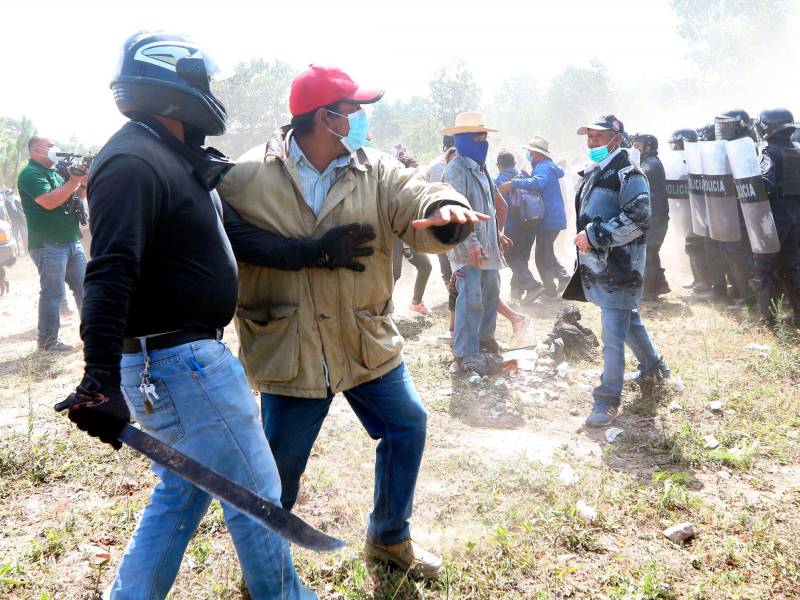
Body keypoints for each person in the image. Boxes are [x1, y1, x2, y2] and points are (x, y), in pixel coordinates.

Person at [57, 32, 315, 599]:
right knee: (257, 498)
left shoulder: (169, 156)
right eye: (204, 83)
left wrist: (318, 250)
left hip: (176, 363)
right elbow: (110, 269)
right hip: (178, 364)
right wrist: (98, 376)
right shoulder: (130, 159)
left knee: (182, 493)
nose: (211, 94)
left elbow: (237, 238)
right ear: (176, 87)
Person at [219, 64, 488, 579]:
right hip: (288, 343)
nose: (362, 120)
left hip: (363, 337)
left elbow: (419, 198)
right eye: (354, 110)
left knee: (407, 425)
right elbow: (221, 243)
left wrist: (447, 210)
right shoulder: (245, 177)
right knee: (280, 471)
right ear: (327, 119)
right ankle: (264, 565)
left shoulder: (378, 170)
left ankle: (389, 539)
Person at [563, 114, 669, 427]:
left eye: (598, 136)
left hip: (621, 269)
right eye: (589, 137)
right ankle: (654, 367)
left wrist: (595, 235)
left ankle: (607, 399)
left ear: (615, 136)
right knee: (627, 319)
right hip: (600, 267)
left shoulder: (629, 174)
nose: (591, 142)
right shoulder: (596, 171)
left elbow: (639, 220)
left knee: (611, 336)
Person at [442, 112, 511, 366]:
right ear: (464, 139)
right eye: (478, 136)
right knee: (470, 299)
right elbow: (456, 209)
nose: (483, 141)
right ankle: (465, 353)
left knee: (491, 292)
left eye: (484, 136)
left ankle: (485, 341)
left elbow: (490, 208)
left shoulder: (482, 169)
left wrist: (498, 234)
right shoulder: (455, 170)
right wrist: (471, 241)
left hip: (488, 246)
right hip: (466, 247)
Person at [17, 136, 87, 351]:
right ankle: (47, 342)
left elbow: (73, 198)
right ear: (37, 149)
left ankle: (94, 333)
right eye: (50, 145)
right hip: (48, 245)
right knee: (53, 293)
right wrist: (74, 181)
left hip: (70, 240)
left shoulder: (54, 173)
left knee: (85, 289)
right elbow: (49, 202)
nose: (55, 148)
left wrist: (81, 183)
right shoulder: (31, 174)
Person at [499, 136, 570, 299]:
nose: (528, 155)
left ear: (538, 154)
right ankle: (555, 284)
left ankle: (557, 282)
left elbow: (537, 183)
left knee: (542, 255)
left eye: (530, 152)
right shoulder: (546, 166)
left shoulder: (543, 167)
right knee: (545, 253)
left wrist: (514, 183)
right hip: (552, 217)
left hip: (548, 219)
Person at [753, 108, 800, 326]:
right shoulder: (797, 150)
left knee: (764, 266)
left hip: (777, 215)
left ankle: (767, 318)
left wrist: (745, 182)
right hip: (796, 214)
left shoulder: (770, 152)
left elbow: (766, 183)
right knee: (791, 267)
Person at [714, 109, 757, 311]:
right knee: (731, 252)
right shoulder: (729, 147)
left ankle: (749, 299)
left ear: (741, 125)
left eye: (727, 124)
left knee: (741, 253)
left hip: (745, 211)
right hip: (731, 209)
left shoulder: (748, 148)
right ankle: (741, 292)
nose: (722, 129)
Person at [495, 150, 542, 303]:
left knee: (511, 257)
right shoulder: (524, 175)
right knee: (521, 259)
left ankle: (533, 286)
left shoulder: (499, 180)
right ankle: (516, 294)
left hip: (512, 227)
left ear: (498, 165)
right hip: (531, 223)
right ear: (514, 163)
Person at [393, 151, 434, 315]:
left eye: (416, 169)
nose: (415, 173)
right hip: (394, 235)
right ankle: (384, 308)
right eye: (412, 169)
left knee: (426, 266)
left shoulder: (417, 187)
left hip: (409, 235)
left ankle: (416, 302)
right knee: (394, 273)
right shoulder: (393, 188)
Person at [632, 133, 671, 300]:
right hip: (653, 215)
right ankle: (659, 285)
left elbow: (638, 175)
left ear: (649, 147)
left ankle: (650, 291)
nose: (636, 147)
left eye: (639, 145)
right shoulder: (646, 162)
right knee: (649, 251)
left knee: (649, 251)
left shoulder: (651, 164)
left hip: (657, 216)